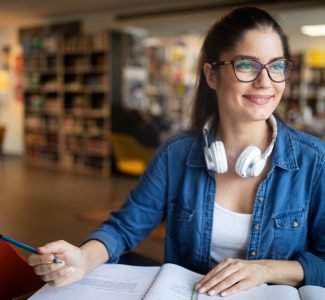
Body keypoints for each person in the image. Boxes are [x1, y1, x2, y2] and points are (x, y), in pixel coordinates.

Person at [28, 7, 325, 297]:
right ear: (212, 75)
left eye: (276, 66)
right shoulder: (177, 153)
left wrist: (265, 270)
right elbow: (124, 227)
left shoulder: (315, 161)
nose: (265, 81)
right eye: (247, 64)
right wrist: (82, 258)